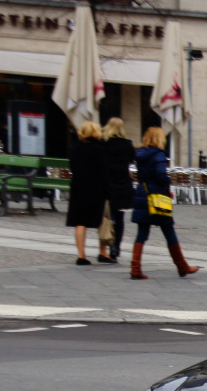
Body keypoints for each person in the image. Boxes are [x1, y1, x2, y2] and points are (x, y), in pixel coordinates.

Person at [129, 127, 198, 280]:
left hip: (143, 194)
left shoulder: (140, 154)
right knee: (169, 231)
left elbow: (141, 175)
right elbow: (161, 175)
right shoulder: (159, 154)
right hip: (157, 198)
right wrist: (167, 181)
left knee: (142, 233)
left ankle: (135, 268)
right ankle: (182, 266)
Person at [65, 121, 111, 267]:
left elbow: (72, 167)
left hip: (78, 187)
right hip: (96, 189)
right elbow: (103, 171)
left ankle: (81, 255)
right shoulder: (99, 149)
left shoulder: (75, 148)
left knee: (80, 222)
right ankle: (103, 252)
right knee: (103, 220)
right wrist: (109, 190)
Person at [100, 117, 136, 263]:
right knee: (120, 217)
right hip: (123, 183)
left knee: (109, 216)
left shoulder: (103, 144)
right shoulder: (127, 145)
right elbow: (132, 160)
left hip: (108, 183)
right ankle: (116, 247)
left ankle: (108, 243)